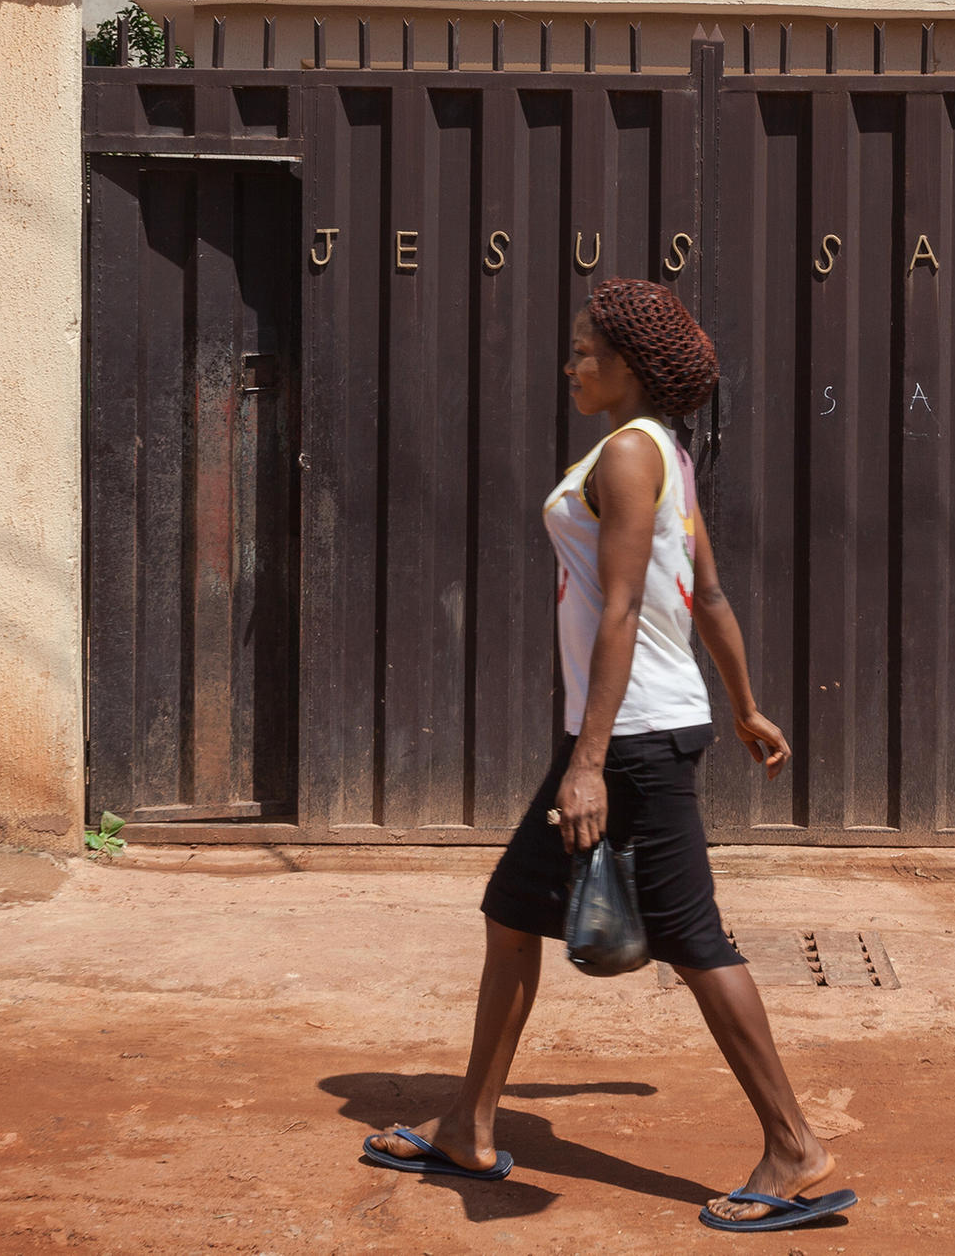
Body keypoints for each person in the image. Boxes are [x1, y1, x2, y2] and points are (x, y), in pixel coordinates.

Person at [359, 278, 856, 1234]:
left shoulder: (632, 453)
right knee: (513, 908)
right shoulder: (662, 451)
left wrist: (587, 761)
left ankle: (795, 1147)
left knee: (693, 937)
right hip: (635, 726)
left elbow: (628, 608)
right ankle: (468, 1120)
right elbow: (706, 593)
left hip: (628, 739)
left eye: (585, 350)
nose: (571, 363)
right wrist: (745, 706)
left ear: (627, 365)